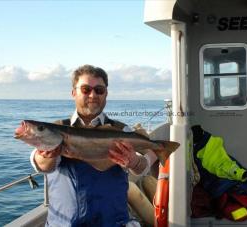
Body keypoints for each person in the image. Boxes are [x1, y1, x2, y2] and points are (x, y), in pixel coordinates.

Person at [30, 64, 157, 227]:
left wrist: (134, 162)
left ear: (106, 94)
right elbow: (41, 164)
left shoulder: (122, 130)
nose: (92, 95)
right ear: (73, 93)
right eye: (85, 89)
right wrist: (45, 156)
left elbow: (142, 167)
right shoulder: (56, 129)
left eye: (99, 90)